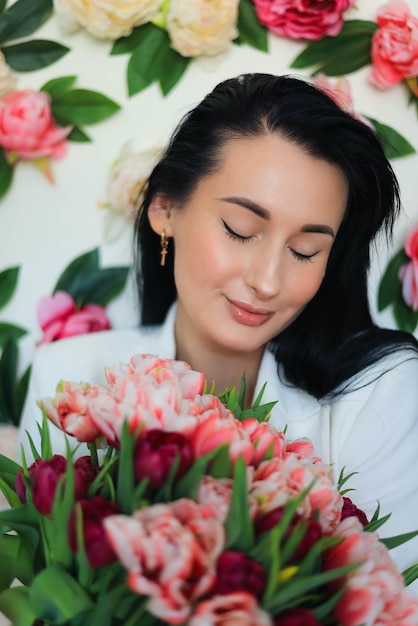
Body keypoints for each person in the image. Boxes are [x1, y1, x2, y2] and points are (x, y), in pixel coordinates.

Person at [18, 73, 418, 582]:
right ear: (165, 208)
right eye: (240, 230)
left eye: (305, 251)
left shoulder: (380, 391)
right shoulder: (70, 378)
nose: (268, 281)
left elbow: (393, 602)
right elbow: (40, 586)